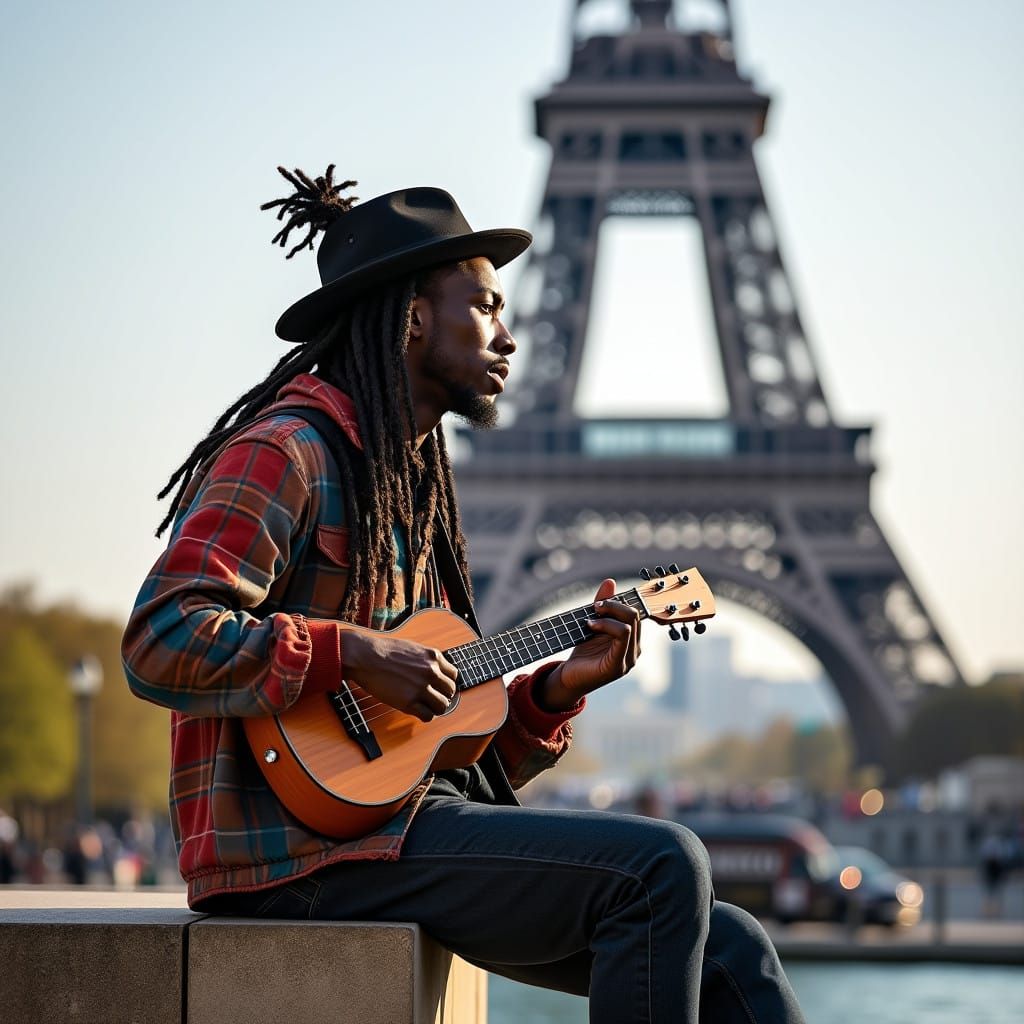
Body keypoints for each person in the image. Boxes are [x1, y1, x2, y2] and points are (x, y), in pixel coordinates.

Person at [122, 165, 805, 1023]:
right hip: (293, 860)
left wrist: (554, 694)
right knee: (664, 864)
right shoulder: (286, 452)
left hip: (393, 832)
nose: (509, 334)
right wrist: (353, 652)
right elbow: (158, 636)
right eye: (484, 306)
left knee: (735, 945)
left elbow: (432, 751)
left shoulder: (417, 492)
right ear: (413, 315)